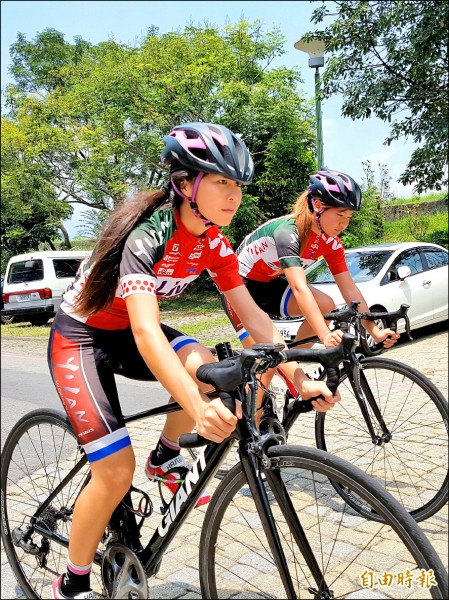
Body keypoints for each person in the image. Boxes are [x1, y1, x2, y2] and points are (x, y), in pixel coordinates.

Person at [48, 123, 340, 599]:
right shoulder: (147, 236)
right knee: (115, 469)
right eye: (222, 182)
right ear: (186, 185)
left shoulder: (215, 243)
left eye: (239, 186)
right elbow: (145, 331)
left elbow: (253, 321)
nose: (234, 196)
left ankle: (164, 458)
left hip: (130, 332)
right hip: (82, 338)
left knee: (208, 369)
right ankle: (72, 580)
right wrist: (198, 408)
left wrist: (297, 377)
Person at [223, 169, 400, 368]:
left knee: (326, 304)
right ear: (317, 205)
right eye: (340, 214)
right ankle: (262, 389)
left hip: (269, 284)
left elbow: (350, 289)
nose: (344, 224)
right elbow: (300, 288)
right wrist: (324, 335)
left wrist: (373, 330)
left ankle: (296, 367)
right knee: (265, 364)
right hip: (238, 286)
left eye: (349, 217)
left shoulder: (330, 242)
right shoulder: (287, 232)